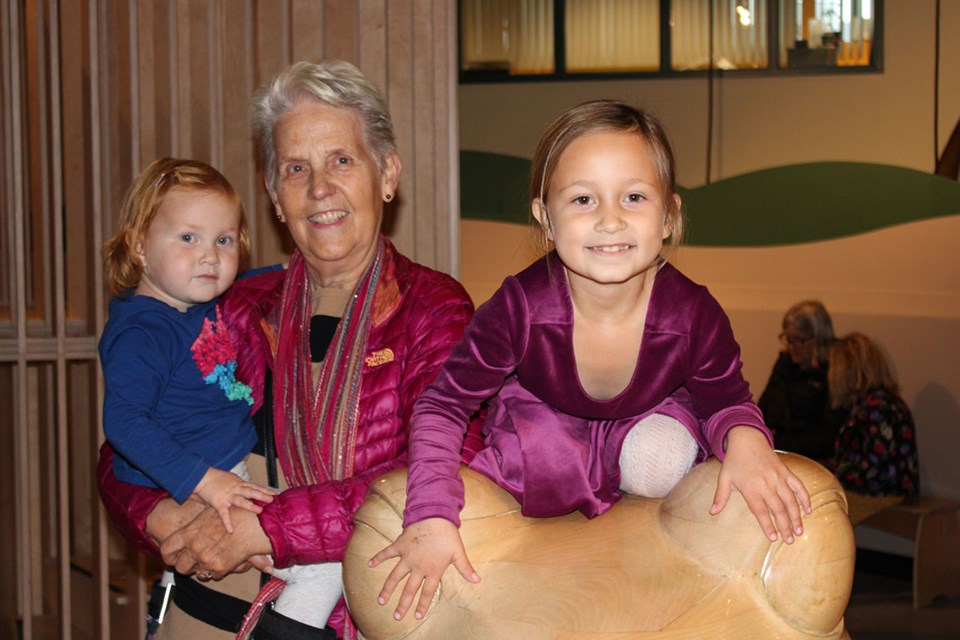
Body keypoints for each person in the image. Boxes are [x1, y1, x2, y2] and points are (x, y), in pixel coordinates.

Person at [370, 100, 812, 622]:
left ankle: (652, 575)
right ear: (546, 218)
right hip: (544, 430)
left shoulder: (692, 314)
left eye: (633, 197)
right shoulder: (520, 308)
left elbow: (727, 400)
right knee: (522, 476)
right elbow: (442, 407)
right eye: (583, 199)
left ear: (668, 216)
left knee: (661, 459)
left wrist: (750, 443)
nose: (610, 220)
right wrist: (430, 515)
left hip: (650, 423)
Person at [96, 60, 478, 640]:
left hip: (344, 620)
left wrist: (269, 530)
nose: (319, 188)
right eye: (296, 168)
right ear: (275, 194)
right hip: (203, 612)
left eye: (342, 161)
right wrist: (160, 516)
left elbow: (447, 471)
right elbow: (124, 441)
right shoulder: (232, 304)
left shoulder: (434, 310)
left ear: (387, 174)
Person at [99, 157, 351, 636]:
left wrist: (301, 265)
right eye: (188, 238)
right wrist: (206, 483)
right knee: (323, 565)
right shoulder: (144, 330)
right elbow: (124, 424)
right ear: (139, 247)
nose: (209, 256)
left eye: (224, 240)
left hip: (212, 472)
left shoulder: (193, 305)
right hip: (200, 478)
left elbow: (260, 277)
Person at [827, 332, 920, 525]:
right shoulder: (875, 403)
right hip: (880, 486)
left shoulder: (877, 409)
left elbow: (872, 468)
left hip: (885, 492)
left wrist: (832, 474)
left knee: (823, 508)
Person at [758, 300, 845, 463]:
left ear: (819, 338)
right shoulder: (785, 363)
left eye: (800, 340)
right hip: (778, 451)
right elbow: (764, 406)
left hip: (814, 459)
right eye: (788, 339)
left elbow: (828, 436)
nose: (792, 346)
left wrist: (777, 442)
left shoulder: (835, 371)